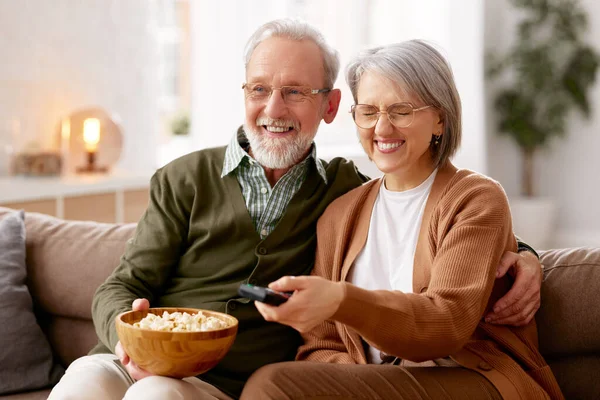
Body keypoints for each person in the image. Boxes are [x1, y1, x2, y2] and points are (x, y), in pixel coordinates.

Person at [48, 20, 544, 400]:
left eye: (294, 92)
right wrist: (133, 339)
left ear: (328, 107)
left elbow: (456, 238)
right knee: (86, 383)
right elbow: (123, 285)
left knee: (157, 395)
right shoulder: (194, 180)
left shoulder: (338, 190)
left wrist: (524, 255)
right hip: (136, 359)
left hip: (219, 385)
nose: (273, 109)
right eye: (259, 89)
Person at [244, 40, 564, 400]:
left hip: (471, 377)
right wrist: (354, 380)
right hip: (384, 385)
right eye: (368, 111)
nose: (382, 129)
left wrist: (341, 300)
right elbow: (321, 344)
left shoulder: (475, 197)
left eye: (401, 110)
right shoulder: (339, 215)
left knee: (271, 385)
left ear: (440, 119)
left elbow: (446, 323)